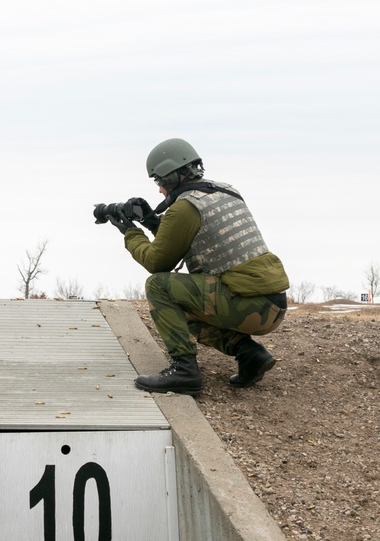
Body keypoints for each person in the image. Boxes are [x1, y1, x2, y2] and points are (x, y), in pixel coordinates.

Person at [100, 138, 289, 395]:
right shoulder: (225, 191)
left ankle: (184, 370)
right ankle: (250, 354)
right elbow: (188, 240)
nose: (159, 190)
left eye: (159, 181)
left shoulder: (186, 207)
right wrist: (151, 221)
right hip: (271, 304)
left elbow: (156, 262)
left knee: (159, 287)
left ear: (174, 176)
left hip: (249, 304)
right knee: (184, 305)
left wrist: (129, 231)